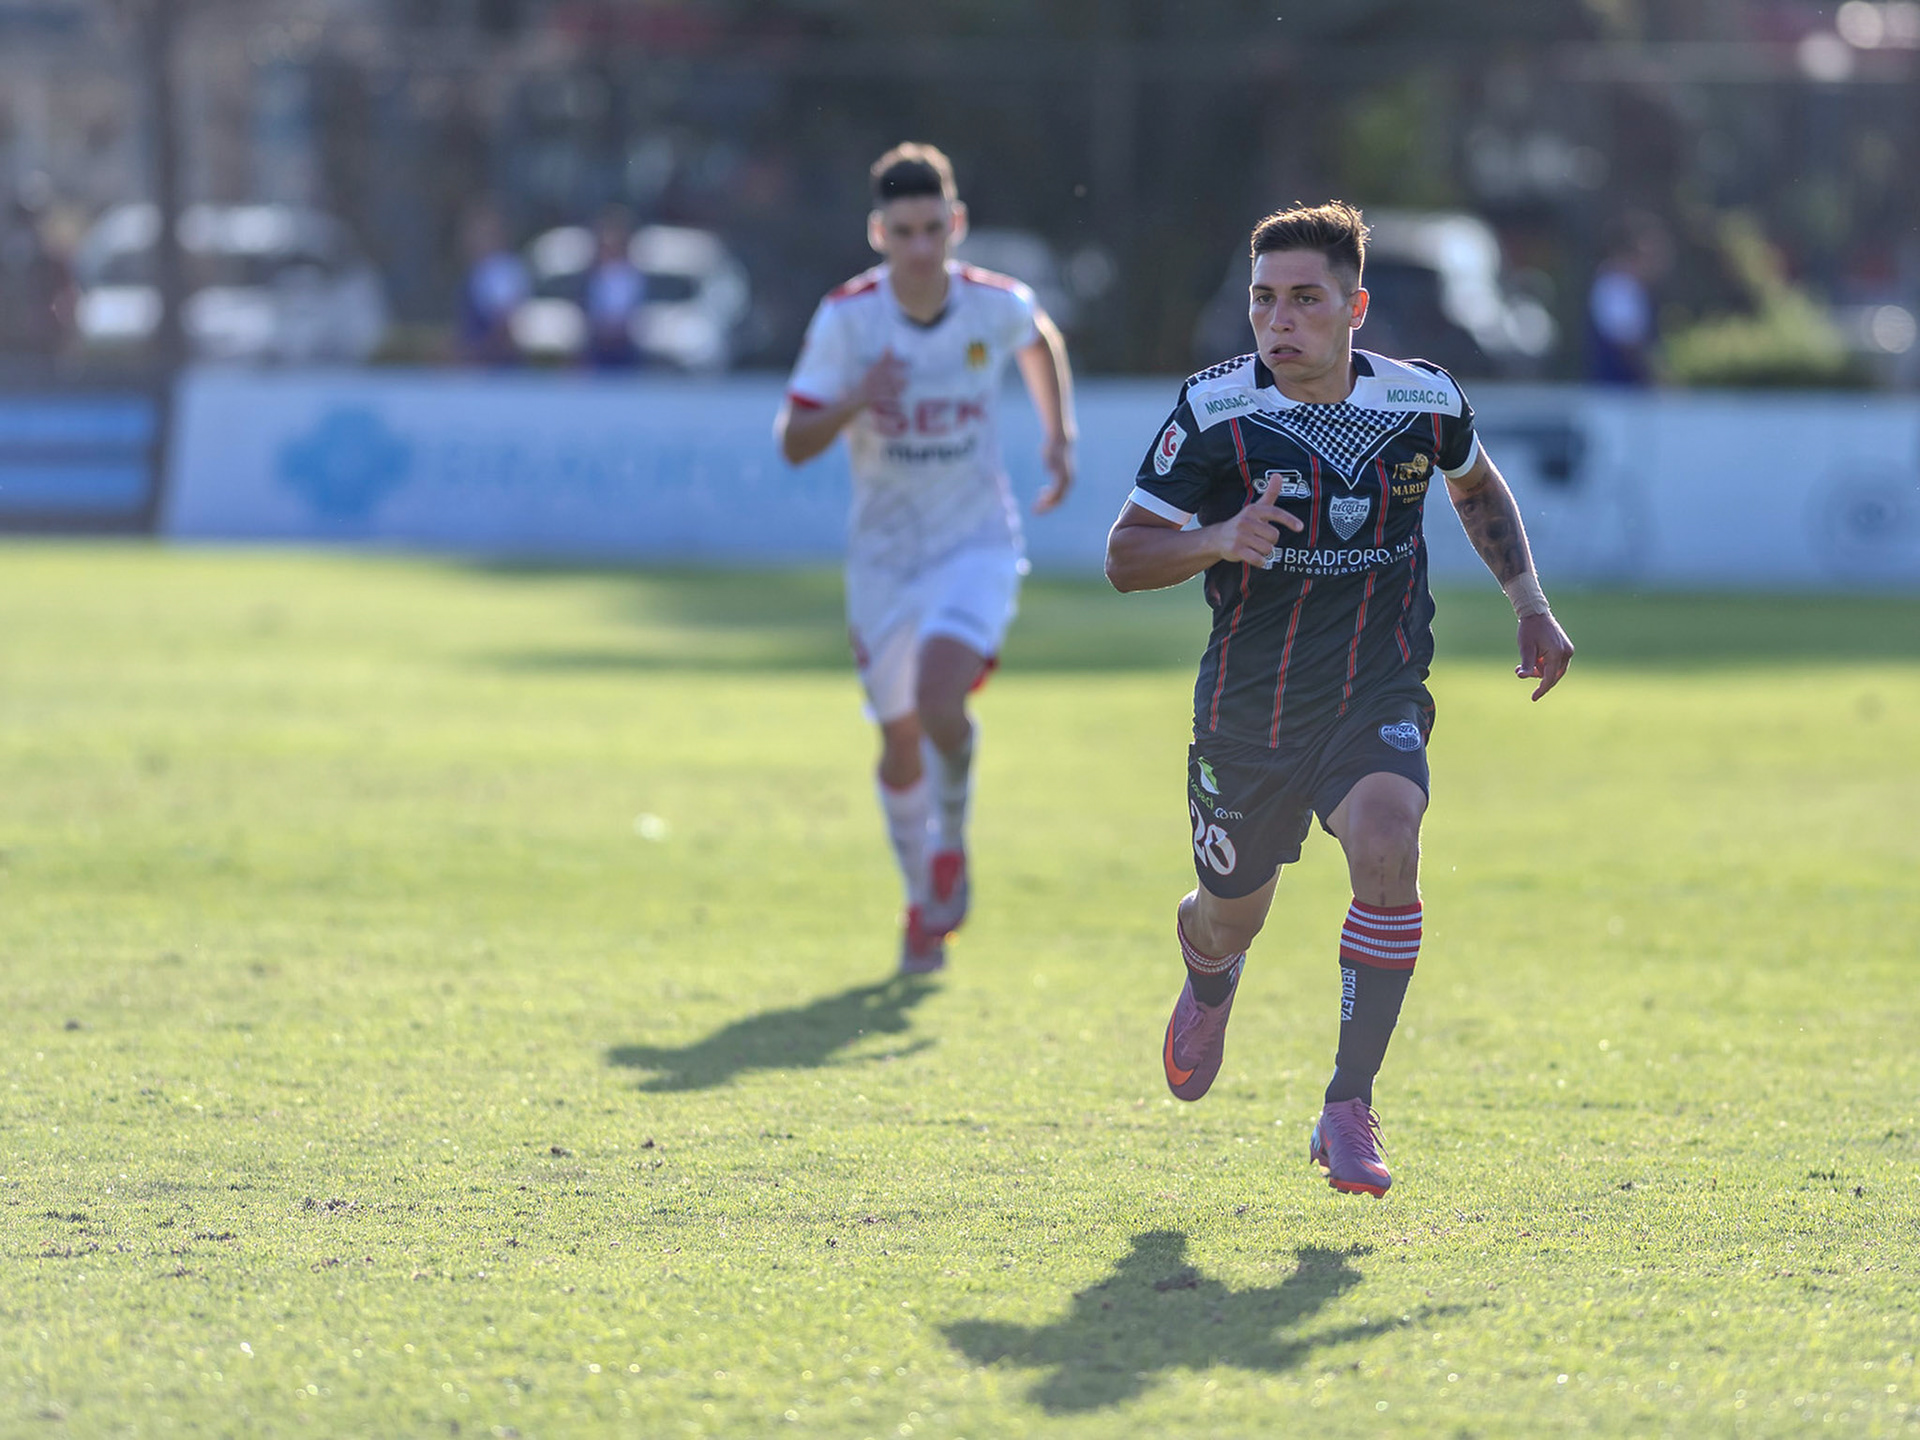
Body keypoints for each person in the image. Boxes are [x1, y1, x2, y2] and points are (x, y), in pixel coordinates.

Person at [1104, 201, 1574, 1197]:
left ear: (1355, 308)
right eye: (1264, 301)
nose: (1280, 323)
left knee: (1389, 838)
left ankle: (1347, 1105)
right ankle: (1208, 971)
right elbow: (1126, 555)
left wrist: (1529, 602)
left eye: (1306, 301)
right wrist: (1216, 540)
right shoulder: (1215, 410)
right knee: (1233, 915)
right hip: (1250, 711)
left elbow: (1477, 488)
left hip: (1377, 687)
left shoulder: (1422, 401)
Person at [775, 142, 1077, 974]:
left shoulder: (991, 303)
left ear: (957, 225)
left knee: (943, 695)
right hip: (883, 560)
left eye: (933, 228)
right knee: (899, 738)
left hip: (975, 542)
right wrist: (852, 402)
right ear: (879, 233)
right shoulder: (848, 320)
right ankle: (923, 900)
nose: (920, 246)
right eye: (903, 230)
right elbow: (793, 441)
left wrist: (1059, 436)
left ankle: (952, 841)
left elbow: (1038, 337)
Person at [457, 207, 530, 366]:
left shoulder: (501, 272)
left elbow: (505, 328)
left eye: (479, 233)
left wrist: (474, 356)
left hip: (497, 372)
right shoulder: (480, 271)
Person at [583, 207, 646, 369]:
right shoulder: (592, 276)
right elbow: (589, 308)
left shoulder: (633, 276)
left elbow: (634, 310)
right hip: (598, 343)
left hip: (625, 343)